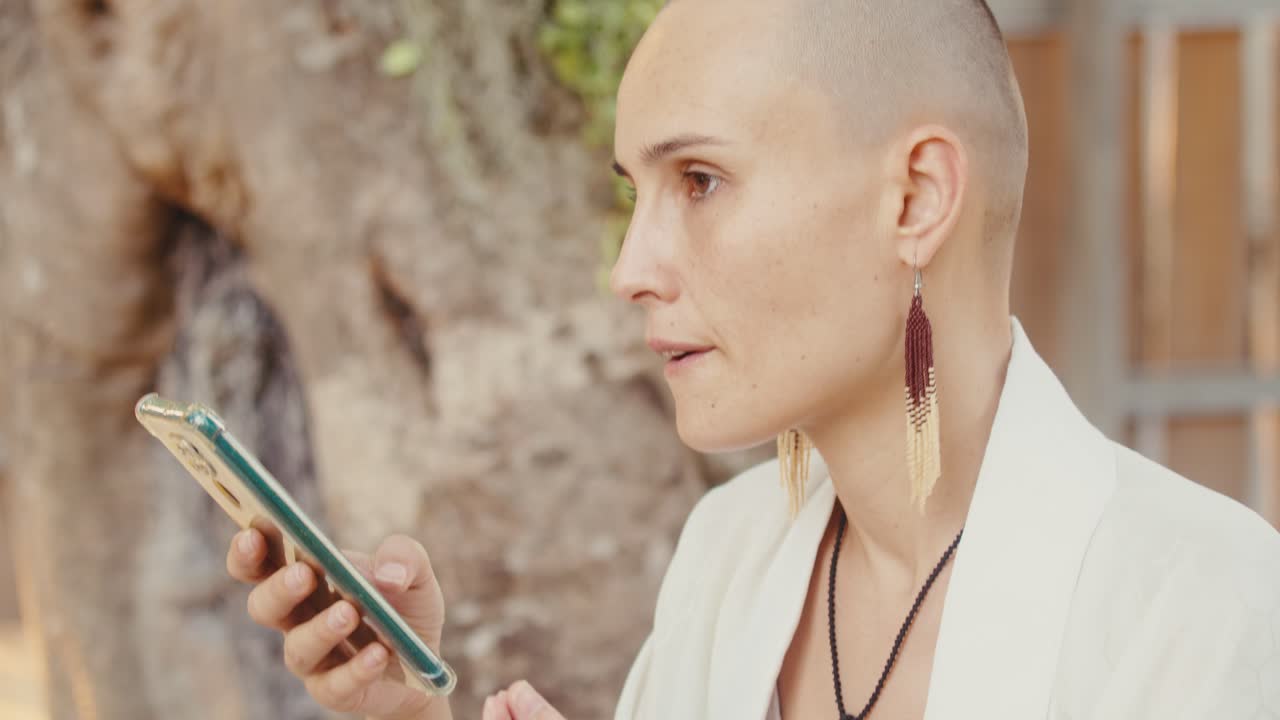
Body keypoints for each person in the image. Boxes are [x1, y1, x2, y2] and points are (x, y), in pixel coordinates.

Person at [225, 0, 1280, 718]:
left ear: (913, 198)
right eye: (632, 194)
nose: (630, 268)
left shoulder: (1201, 609)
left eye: (698, 181)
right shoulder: (724, 561)